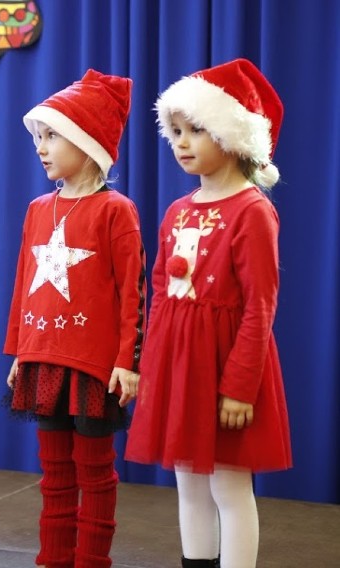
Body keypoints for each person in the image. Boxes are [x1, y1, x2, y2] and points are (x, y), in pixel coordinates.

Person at [125, 58, 292, 568]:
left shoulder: (253, 211)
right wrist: (152, 368)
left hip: (225, 367)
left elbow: (260, 305)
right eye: (175, 130)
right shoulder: (178, 210)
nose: (181, 141)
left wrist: (240, 386)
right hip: (181, 366)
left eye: (196, 129)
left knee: (228, 484)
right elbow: (160, 292)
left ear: (232, 133)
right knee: (188, 482)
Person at [4, 70, 145, 568]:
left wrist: (128, 360)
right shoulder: (37, 208)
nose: (41, 148)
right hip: (44, 359)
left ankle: (91, 562)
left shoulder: (116, 210)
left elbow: (134, 292)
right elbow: (24, 286)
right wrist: (20, 350)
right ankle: (53, 559)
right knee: (54, 474)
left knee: (94, 472)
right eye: (38, 137)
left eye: (52, 136)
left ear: (87, 143)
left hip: (92, 365)